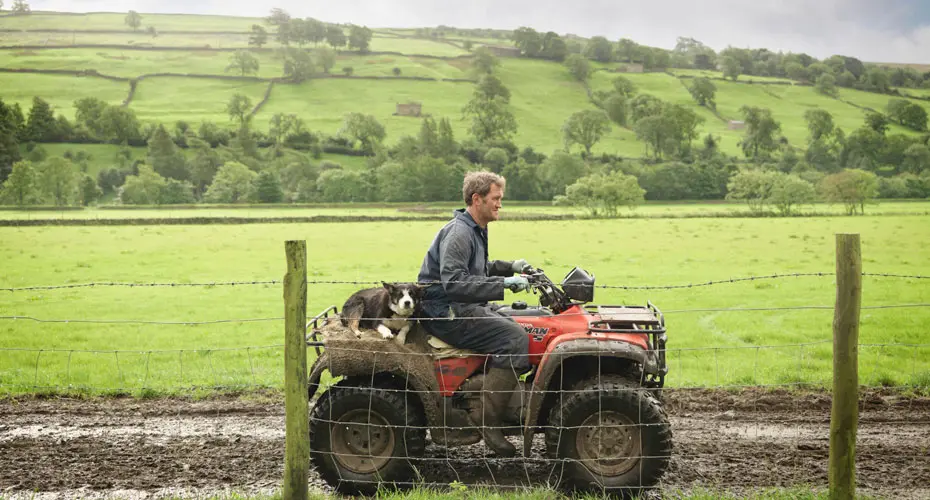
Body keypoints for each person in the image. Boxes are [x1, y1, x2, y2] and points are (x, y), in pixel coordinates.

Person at [416, 171, 532, 457]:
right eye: (495, 199)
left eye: (500, 199)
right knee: (515, 340)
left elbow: (479, 267)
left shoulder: (475, 229)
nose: (499, 205)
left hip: (459, 306)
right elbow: (455, 282)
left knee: (524, 324)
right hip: (446, 312)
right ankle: (488, 422)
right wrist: (503, 285)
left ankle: (501, 399)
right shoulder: (459, 233)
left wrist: (511, 267)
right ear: (477, 199)